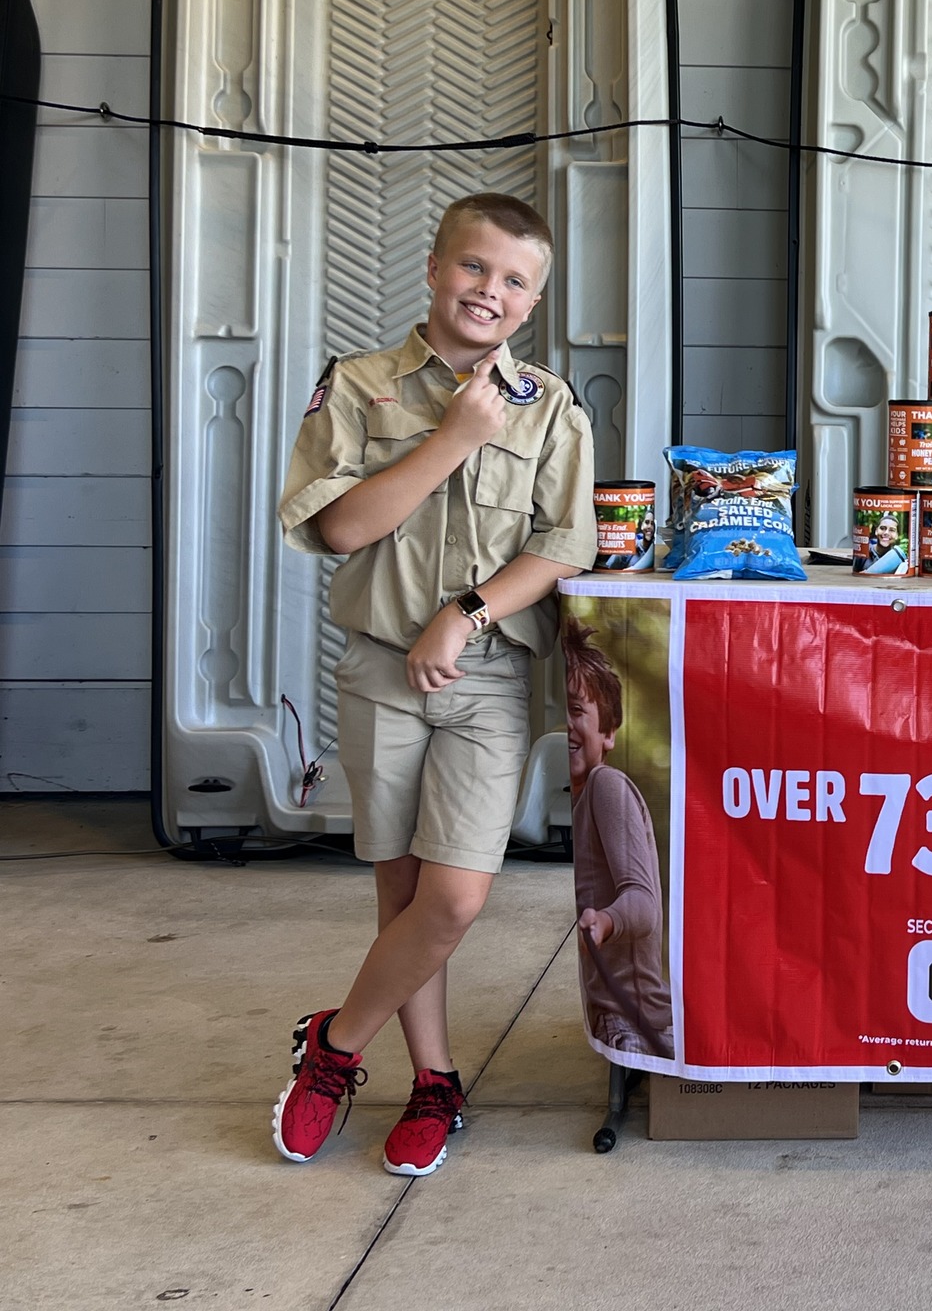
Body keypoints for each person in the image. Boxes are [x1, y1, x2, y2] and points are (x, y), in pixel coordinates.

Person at [272, 193, 596, 1176]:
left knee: (452, 897)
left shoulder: (551, 407)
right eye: (473, 266)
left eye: (514, 280)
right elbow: (339, 528)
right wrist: (452, 437)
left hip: (487, 677)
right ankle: (434, 1081)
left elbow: (564, 545)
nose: (489, 290)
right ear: (433, 268)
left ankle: (333, 1048)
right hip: (380, 670)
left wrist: (465, 613)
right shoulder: (360, 386)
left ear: (532, 302)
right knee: (404, 892)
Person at [561, 619, 675, 1060]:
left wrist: (606, 921)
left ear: (608, 733)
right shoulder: (581, 797)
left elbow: (644, 903)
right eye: (562, 709)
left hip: (634, 1019)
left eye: (577, 710)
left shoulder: (607, 785)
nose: (567, 723)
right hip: (615, 1013)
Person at [859, 510, 910, 575]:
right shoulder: (864, 551)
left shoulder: (899, 558)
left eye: (892, 530)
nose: (886, 533)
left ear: (897, 535)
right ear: (876, 531)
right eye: (882, 528)